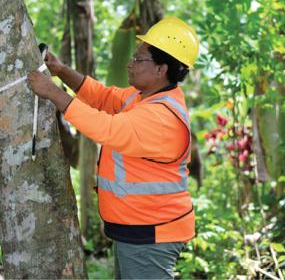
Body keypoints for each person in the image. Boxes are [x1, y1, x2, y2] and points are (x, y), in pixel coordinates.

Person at [27, 16, 199, 279]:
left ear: (161, 69)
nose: (129, 63)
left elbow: (105, 129)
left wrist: (53, 92)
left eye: (138, 59)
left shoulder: (161, 116)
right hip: (138, 229)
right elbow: (102, 96)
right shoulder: (142, 97)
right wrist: (61, 71)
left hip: (151, 232)